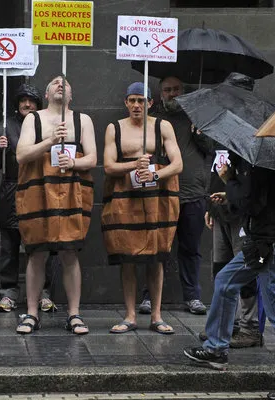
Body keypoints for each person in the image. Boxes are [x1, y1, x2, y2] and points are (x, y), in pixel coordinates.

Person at [184, 156, 275, 400]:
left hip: (272, 243)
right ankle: (216, 348)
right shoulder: (268, 161)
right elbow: (255, 200)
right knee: (225, 281)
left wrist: (230, 180)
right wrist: (230, 192)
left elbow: (254, 203)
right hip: (262, 242)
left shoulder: (267, 163)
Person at [15, 75, 96, 335]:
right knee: (36, 252)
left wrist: (73, 163)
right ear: (47, 94)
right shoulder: (33, 119)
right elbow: (21, 155)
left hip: (72, 192)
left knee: (70, 253)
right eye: (55, 82)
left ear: (71, 95)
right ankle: (31, 313)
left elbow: (93, 158)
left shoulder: (83, 120)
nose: (61, 84)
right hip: (39, 191)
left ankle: (74, 314)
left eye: (66, 83)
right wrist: (50, 140)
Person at [102, 82, 182, 335]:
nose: (136, 105)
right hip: (125, 199)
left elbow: (177, 163)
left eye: (141, 100)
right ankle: (130, 315)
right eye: (132, 100)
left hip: (157, 198)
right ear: (126, 102)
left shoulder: (162, 126)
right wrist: (133, 165)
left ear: (150, 103)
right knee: (127, 257)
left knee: (156, 257)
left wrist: (156, 176)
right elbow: (109, 166)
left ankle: (157, 316)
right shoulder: (115, 128)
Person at [139, 75, 213, 315]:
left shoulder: (198, 116)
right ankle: (149, 297)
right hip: (160, 192)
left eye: (177, 89)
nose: (173, 94)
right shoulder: (153, 119)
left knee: (191, 249)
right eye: (168, 90)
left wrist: (201, 134)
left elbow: (211, 150)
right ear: (160, 94)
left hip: (193, 193)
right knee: (156, 247)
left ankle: (192, 297)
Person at [0, 83, 59, 313]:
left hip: (39, 189)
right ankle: (8, 293)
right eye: (23, 100)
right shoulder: (4, 126)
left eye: (31, 100)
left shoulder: (45, 124)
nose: (26, 104)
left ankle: (43, 293)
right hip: (11, 190)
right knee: (9, 247)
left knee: (40, 245)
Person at [203, 146, 262, 348]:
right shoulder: (220, 139)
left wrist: (229, 179)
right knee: (221, 269)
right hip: (221, 212)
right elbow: (214, 175)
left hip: (241, 216)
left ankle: (250, 327)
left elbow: (248, 189)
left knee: (243, 272)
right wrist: (210, 208)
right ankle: (227, 324)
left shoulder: (247, 147)